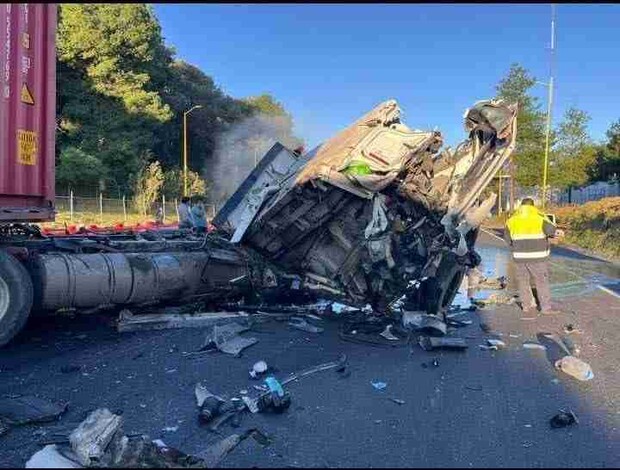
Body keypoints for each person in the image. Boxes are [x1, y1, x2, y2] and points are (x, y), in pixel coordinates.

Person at [504, 197, 560, 320]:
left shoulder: (511, 220)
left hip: (519, 257)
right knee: (541, 282)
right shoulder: (539, 218)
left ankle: (526, 306)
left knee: (523, 282)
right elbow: (552, 231)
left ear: (521, 206)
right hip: (538, 257)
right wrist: (544, 216)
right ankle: (545, 308)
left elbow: (508, 240)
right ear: (533, 206)